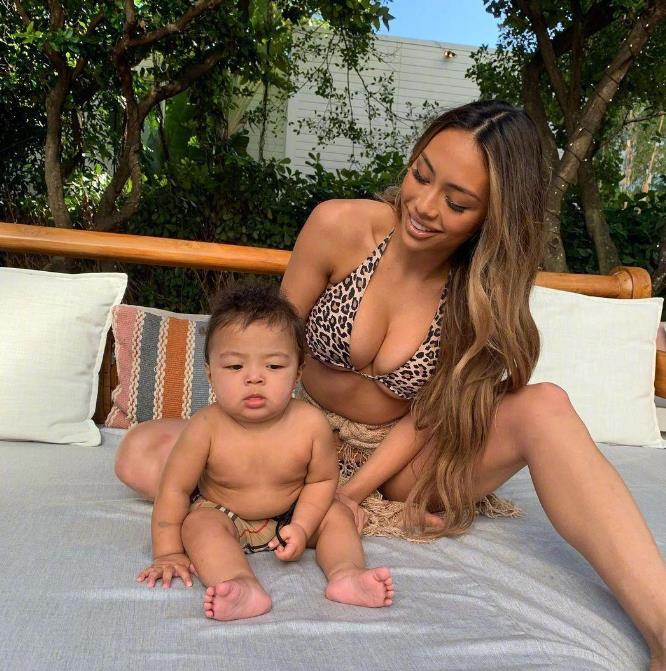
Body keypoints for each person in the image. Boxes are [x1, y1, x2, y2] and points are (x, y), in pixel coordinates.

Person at [117, 101, 665, 666]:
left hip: (403, 458)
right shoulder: (338, 227)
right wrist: (271, 444)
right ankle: (297, 501)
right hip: (300, 438)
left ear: (492, 217)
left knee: (545, 405)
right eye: (421, 175)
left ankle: (663, 628)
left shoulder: (479, 291)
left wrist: (352, 493)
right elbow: (272, 343)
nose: (423, 206)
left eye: (457, 203)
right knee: (140, 451)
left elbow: (430, 416)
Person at [135, 285, 394, 620]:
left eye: (273, 366)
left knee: (337, 514)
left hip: (292, 512)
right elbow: (174, 489)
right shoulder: (204, 427)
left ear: (298, 372)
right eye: (234, 367)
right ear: (210, 374)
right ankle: (239, 584)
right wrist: (168, 552)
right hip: (226, 515)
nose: (254, 378)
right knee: (198, 524)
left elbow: (321, 482)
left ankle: (347, 574)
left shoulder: (310, 424)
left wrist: (302, 526)